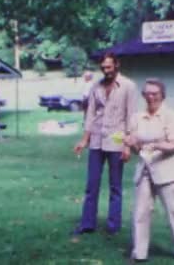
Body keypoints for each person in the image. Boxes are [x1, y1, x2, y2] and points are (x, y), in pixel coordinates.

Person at [123, 78, 174, 263]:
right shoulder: (137, 117)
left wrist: (152, 144)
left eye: (155, 93)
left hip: (167, 170)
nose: (151, 97)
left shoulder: (170, 116)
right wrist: (131, 145)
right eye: (147, 93)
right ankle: (139, 253)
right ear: (143, 96)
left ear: (162, 95)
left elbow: (173, 145)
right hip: (144, 169)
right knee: (140, 212)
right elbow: (135, 147)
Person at [72, 52, 138, 235]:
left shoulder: (128, 86)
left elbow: (131, 117)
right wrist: (84, 140)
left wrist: (127, 146)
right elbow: (90, 115)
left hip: (117, 140)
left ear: (117, 65)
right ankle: (87, 224)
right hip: (97, 141)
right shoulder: (96, 87)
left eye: (109, 67)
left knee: (115, 186)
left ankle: (113, 226)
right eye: (103, 68)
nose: (106, 71)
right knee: (91, 185)